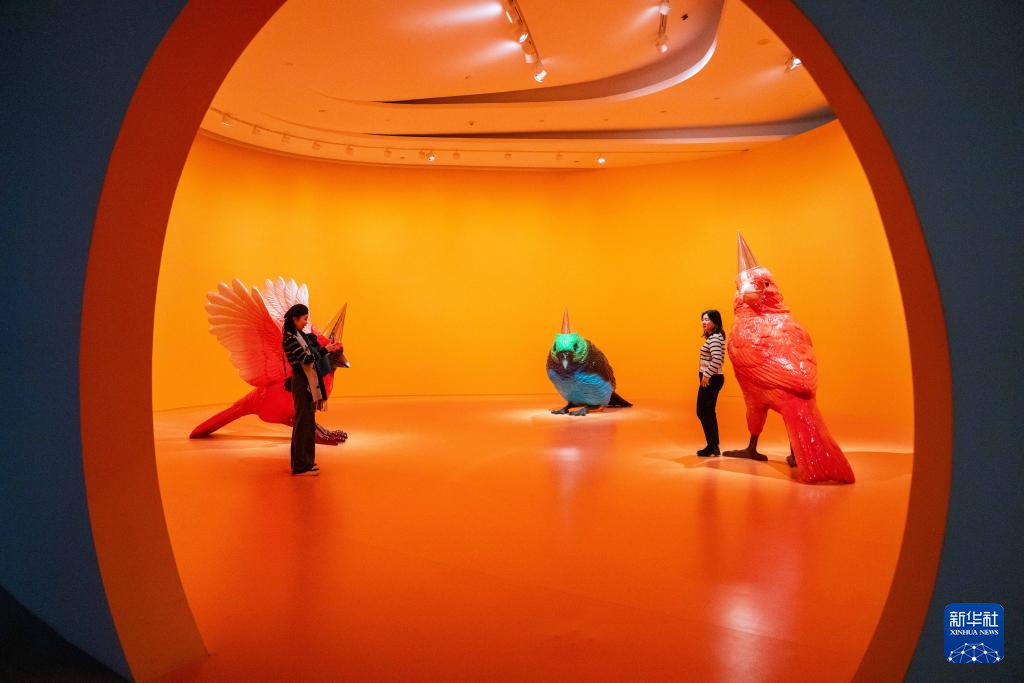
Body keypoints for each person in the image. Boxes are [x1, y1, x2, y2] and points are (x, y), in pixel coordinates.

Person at [282, 303, 340, 475]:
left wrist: (325, 349)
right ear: (295, 319)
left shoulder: (298, 335)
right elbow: (306, 359)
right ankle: (300, 466)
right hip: (301, 382)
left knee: (307, 423)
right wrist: (325, 350)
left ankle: (306, 462)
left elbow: (310, 354)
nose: (306, 322)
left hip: (307, 380)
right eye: (304, 319)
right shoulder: (290, 339)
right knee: (303, 423)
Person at [696, 309, 726, 456]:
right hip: (714, 378)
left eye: (707, 319)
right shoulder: (715, 337)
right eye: (702, 319)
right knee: (708, 411)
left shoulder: (714, 338)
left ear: (715, 322)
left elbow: (717, 359)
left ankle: (712, 445)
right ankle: (714, 446)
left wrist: (706, 375)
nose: (704, 322)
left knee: (702, 411)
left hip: (712, 379)